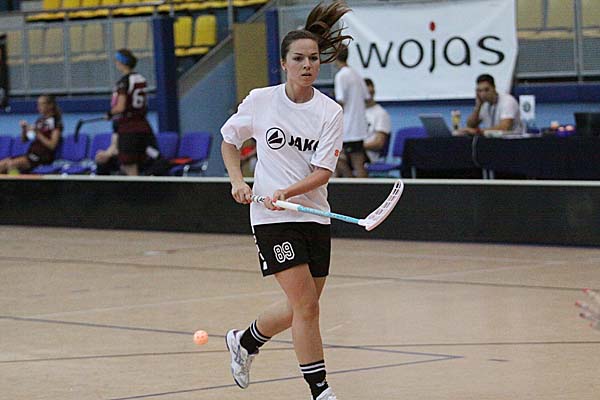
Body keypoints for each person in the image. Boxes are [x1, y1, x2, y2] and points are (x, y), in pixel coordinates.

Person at [220, 2, 350, 399]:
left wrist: (287, 192)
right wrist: (237, 181)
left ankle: (244, 341)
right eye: (298, 59)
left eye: (313, 59)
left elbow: (322, 172)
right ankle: (320, 390)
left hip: (313, 214)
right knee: (307, 306)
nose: (307, 65)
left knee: (301, 307)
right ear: (283, 63)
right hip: (271, 218)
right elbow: (229, 141)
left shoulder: (329, 112)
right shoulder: (262, 100)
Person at [107, 48, 157, 176]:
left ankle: (136, 188)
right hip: (144, 127)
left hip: (129, 129)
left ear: (121, 63)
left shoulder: (124, 82)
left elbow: (121, 107)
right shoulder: (141, 79)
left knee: (128, 165)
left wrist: (110, 113)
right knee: (144, 162)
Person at [0, 95, 62, 174]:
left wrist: (37, 133)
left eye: (41, 104)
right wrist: (24, 130)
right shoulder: (40, 121)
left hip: (43, 157)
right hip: (30, 155)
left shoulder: (56, 123)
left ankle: (14, 181)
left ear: (50, 105)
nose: (38, 107)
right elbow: (25, 139)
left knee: (11, 164)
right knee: (2, 164)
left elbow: (52, 145)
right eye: (38, 104)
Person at [333, 44, 370, 177]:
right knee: (357, 163)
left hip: (349, 128)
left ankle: (353, 185)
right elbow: (367, 97)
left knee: (339, 159)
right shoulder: (356, 74)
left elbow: (340, 102)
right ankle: (354, 184)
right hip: (359, 127)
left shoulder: (341, 76)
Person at [458, 73, 523, 135]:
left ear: (494, 88)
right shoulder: (484, 104)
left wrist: (478, 132)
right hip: (492, 140)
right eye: (480, 91)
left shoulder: (508, 101)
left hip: (513, 140)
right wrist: (478, 106)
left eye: (486, 90)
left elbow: (504, 128)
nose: (483, 94)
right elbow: (470, 125)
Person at [363, 78, 392, 163]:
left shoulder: (381, 114)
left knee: (338, 159)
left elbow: (378, 143)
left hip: (369, 155)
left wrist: (356, 146)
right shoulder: (355, 113)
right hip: (352, 151)